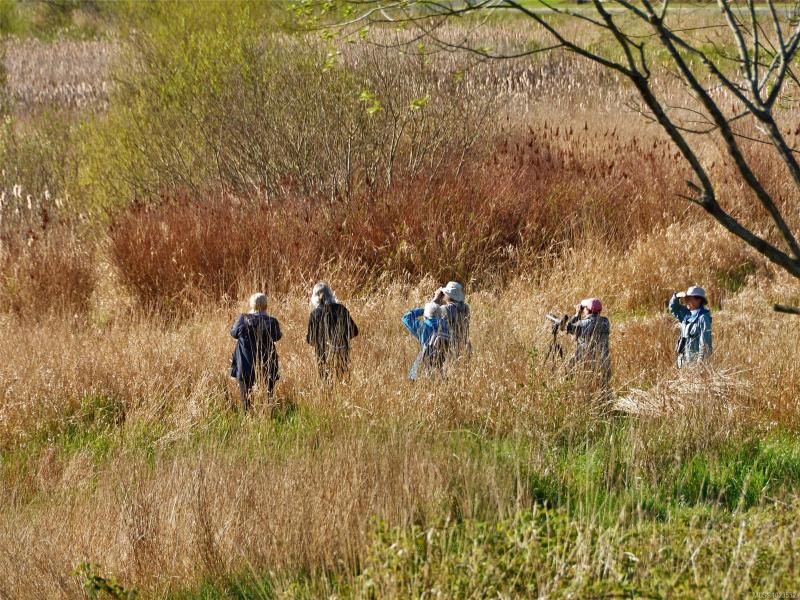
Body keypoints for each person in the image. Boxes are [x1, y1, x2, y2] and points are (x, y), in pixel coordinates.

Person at [230, 292, 282, 411]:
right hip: (267, 364)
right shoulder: (272, 321)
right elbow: (277, 336)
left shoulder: (242, 319)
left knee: (246, 400)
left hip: (245, 364)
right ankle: (269, 418)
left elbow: (233, 333)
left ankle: (247, 422)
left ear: (251, 304)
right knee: (269, 396)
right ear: (266, 305)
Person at [306, 282, 359, 381]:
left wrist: (320, 342)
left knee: (326, 383)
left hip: (323, 353)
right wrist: (342, 339)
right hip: (342, 350)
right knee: (343, 381)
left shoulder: (315, 314)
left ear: (315, 297)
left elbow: (310, 340)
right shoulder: (341, 309)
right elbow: (355, 331)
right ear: (330, 294)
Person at [566, 297, 611, 390]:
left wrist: (577, 313)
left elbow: (569, 328)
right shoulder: (606, 321)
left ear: (588, 310)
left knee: (569, 368)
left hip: (587, 361)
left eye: (584, 308)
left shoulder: (583, 324)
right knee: (603, 387)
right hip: (603, 361)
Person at [402, 301, 450, 380]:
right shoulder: (445, 326)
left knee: (413, 376)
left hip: (424, 360)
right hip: (442, 361)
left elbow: (405, 318)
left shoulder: (423, 326)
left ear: (426, 316)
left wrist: (422, 310)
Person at [668, 285, 712, 368]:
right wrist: (676, 296)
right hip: (683, 362)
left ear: (699, 300)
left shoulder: (703, 318)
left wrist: (700, 363)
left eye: (689, 299)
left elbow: (705, 343)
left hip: (695, 364)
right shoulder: (686, 314)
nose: (686, 300)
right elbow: (672, 308)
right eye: (686, 298)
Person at [433, 281, 471, 358]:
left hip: (449, 347)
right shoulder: (466, 307)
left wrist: (436, 298)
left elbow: (429, 316)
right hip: (465, 345)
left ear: (448, 295)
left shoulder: (446, 309)